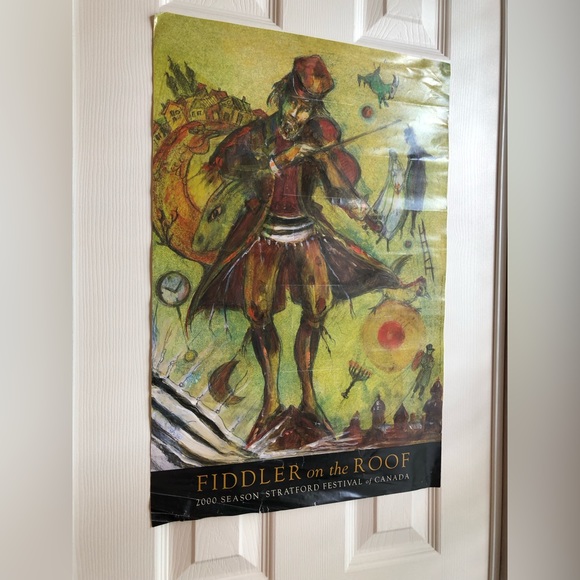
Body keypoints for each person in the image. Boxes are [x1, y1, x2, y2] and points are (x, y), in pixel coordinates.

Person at [186, 55, 418, 446]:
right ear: (282, 95)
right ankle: (271, 402)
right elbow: (227, 169)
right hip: (264, 235)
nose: (297, 114)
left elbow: (337, 188)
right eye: (293, 104)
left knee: (316, 310)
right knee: (259, 314)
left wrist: (363, 212)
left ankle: (309, 402)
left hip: (305, 233)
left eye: (306, 108)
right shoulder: (257, 135)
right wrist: (280, 160)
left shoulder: (318, 137)